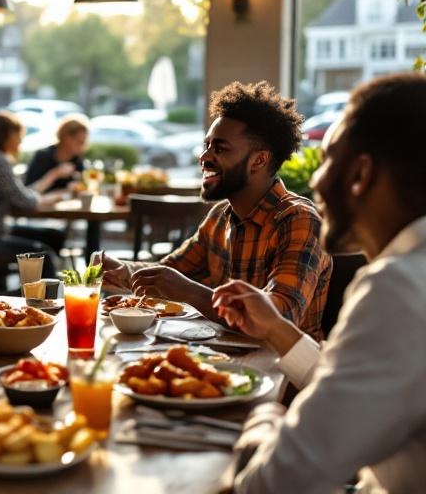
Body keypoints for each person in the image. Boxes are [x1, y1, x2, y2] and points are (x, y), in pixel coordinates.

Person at [212, 74, 426, 493]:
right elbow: (357, 384)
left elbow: (273, 484)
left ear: (360, 174)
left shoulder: (399, 287)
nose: (315, 182)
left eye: (328, 159)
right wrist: (277, 329)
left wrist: (262, 419)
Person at [101, 81, 332, 340]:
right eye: (207, 145)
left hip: (284, 372)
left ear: (259, 160)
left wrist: (189, 292)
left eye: (220, 148)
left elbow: (280, 318)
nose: (204, 157)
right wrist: (121, 270)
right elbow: (168, 273)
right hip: (223, 358)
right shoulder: (220, 216)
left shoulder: (298, 220)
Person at [0, 112, 67, 279]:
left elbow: (17, 195)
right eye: (18, 136)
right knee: (44, 256)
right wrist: (49, 199)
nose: (20, 141)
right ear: (7, 136)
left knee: (53, 236)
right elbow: (24, 201)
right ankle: (38, 299)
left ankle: (31, 290)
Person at [24, 114, 90, 191]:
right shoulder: (43, 156)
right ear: (66, 138)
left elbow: (84, 186)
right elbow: (28, 191)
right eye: (79, 142)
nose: (83, 147)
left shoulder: (77, 159)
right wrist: (55, 174)